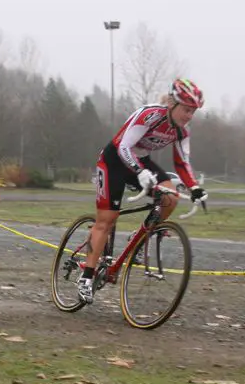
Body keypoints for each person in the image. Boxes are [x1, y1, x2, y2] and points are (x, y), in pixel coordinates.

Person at [77, 78, 208, 303]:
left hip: (141, 162)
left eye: (193, 112)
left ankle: (140, 240)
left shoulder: (181, 132)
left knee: (170, 198)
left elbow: (182, 163)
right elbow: (123, 146)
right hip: (114, 161)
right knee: (107, 220)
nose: (189, 116)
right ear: (172, 104)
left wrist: (195, 187)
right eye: (186, 110)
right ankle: (86, 276)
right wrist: (138, 170)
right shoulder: (149, 115)